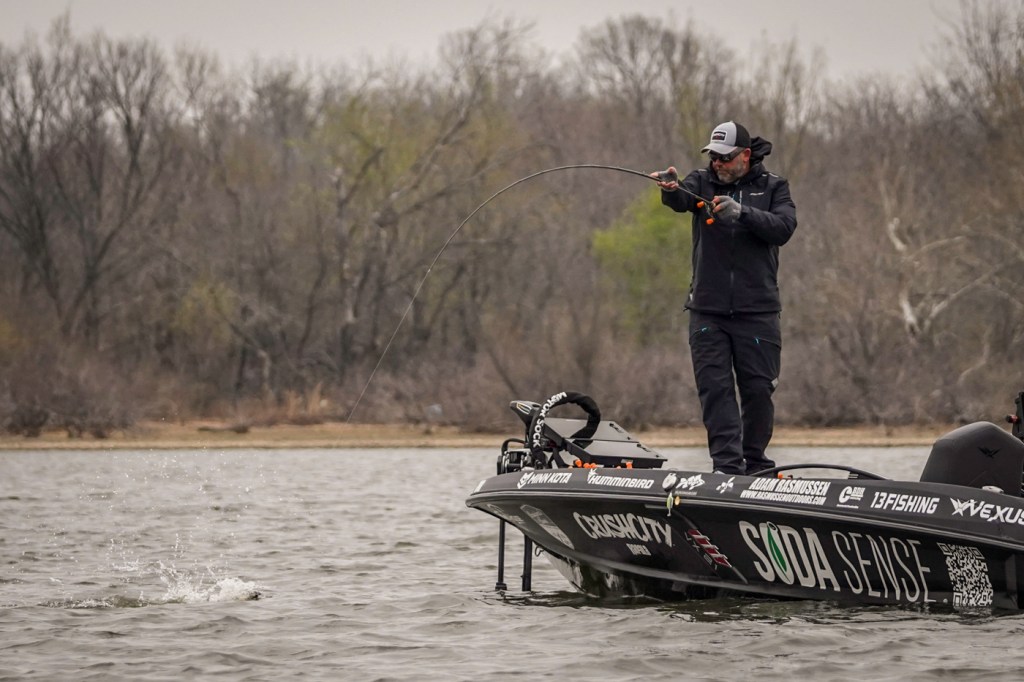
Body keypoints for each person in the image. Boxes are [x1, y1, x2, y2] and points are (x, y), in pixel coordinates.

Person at [652, 121, 797, 475]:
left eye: (724, 157)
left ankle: (756, 466)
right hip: (707, 313)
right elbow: (682, 198)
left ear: (745, 155)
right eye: (713, 156)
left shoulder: (774, 186)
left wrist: (742, 213)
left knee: (758, 392)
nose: (717, 163)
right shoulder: (702, 181)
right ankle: (727, 467)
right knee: (715, 391)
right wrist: (670, 189)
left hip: (758, 313)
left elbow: (783, 228)